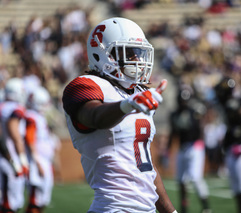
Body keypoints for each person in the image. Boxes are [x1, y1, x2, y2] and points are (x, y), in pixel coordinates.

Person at [62, 17, 176, 213]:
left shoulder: (136, 92)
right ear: (103, 54)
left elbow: (143, 164)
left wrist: (170, 211)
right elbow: (95, 116)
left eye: (139, 54)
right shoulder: (86, 85)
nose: (138, 61)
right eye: (130, 53)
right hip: (113, 208)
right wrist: (127, 105)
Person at [215, 76, 241, 213]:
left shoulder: (234, 104)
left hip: (240, 149)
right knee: (238, 192)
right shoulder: (228, 103)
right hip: (234, 149)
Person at [168, 84, 211, 213]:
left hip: (194, 146)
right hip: (182, 148)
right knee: (181, 180)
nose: (183, 103)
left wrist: (201, 144)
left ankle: (206, 207)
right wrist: (167, 150)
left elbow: (201, 127)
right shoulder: (175, 114)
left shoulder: (194, 112)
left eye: (185, 100)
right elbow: (173, 133)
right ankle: (184, 209)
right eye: (181, 100)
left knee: (195, 178)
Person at [24, 86, 58, 213]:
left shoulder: (38, 116)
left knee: (42, 199)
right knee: (35, 199)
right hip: (37, 161)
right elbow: (29, 139)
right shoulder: (32, 117)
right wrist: (37, 162)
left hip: (43, 160)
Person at [0, 77, 29, 213]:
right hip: (9, 158)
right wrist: (22, 160)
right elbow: (14, 132)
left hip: (4, 155)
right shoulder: (15, 109)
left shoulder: (2, 106)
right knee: (10, 201)